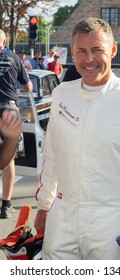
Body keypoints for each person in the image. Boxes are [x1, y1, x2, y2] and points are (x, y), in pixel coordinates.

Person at [34, 17, 120, 260]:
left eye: (97, 50)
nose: (89, 59)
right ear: (72, 53)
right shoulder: (62, 94)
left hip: (112, 224)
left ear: (113, 49)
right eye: (81, 51)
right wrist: (44, 206)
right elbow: (52, 154)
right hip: (61, 219)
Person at [0, 29, 33, 219]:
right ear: (5, 41)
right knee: (8, 160)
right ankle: (6, 205)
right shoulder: (14, 58)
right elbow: (28, 86)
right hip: (9, 109)